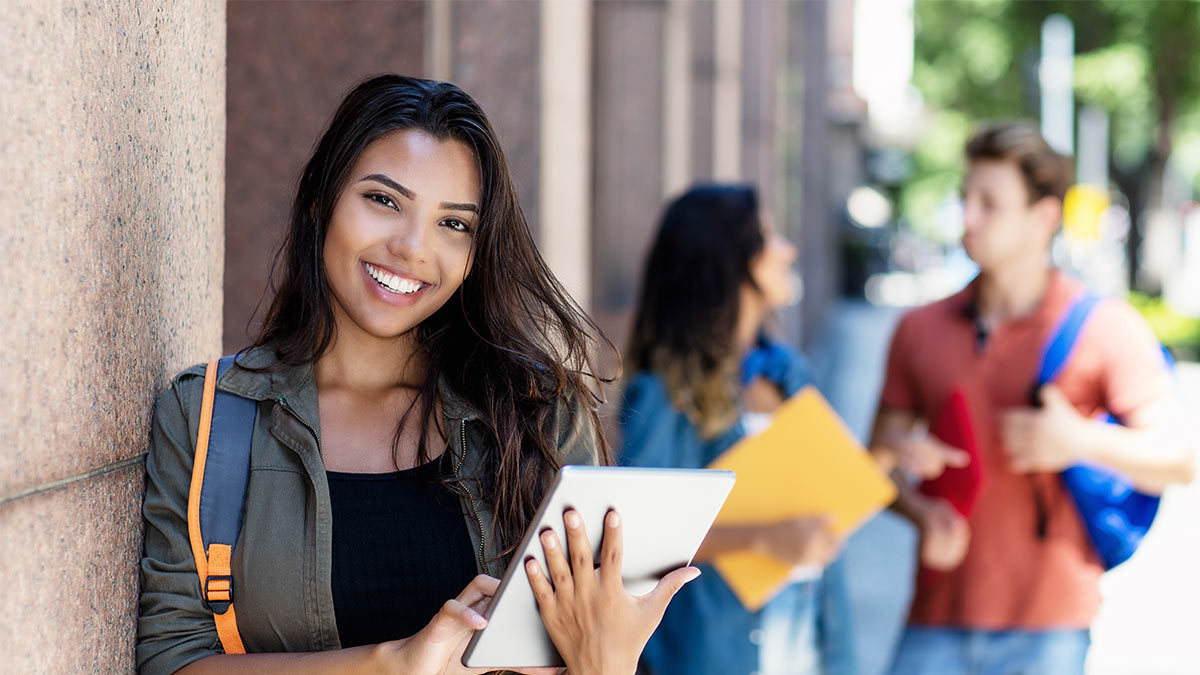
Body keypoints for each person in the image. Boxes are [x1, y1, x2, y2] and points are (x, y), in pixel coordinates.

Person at [137, 75, 699, 675]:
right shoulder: (209, 418)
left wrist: (608, 662)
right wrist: (393, 665)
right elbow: (172, 656)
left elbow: (600, 640)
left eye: (453, 224)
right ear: (319, 203)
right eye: (383, 200)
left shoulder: (535, 411)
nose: (411, 248)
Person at [875, 121, 1196, 675]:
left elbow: (1180, 460)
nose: (968, 218)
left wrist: (1078, 440)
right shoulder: (918, 329)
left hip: (1049, 632)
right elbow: (875, 460)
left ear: (1044, 216)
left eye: (989, 203)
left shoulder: (1104, 326)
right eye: (965, 199)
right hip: (933, 619)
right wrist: (920, 507)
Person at [619, 184, 856, 675]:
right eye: (768, 236)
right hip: (715, 648)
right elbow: (641, 536)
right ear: (725, 257)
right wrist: (764, 539)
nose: (788, 249)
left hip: (807, 635)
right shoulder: (663, 392)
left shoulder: (789, 372)